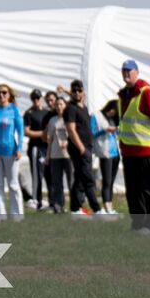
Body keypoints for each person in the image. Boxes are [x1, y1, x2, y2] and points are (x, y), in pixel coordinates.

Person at [117, 59, 150, 232]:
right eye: (123, 71)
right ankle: (137, 222)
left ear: (137, 72)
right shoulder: (124, 94)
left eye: (129, 70)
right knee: (133, 191)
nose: (126, 74)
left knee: (149, 189)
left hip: (145, 150)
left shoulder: (146, 92)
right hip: (128, 151)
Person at [61, 81, 100, 215]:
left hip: (87, 147)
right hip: (79, 149)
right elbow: (71, 130)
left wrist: (66, 90)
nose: (77, 92)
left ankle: (75, 208)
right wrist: (82, 148)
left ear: (83, 92)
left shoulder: (83, 106)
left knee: (79, 179)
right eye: (74, 91)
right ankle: (97, 209)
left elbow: (79, 95)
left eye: (79, 90)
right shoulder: (70, 108)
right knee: (88, 179)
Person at [0, 84, 24, 221]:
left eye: (4, 92)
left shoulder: (14, 110)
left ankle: (17, 215)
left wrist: (19, 148)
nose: (1, 95)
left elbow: (20, 131)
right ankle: (0, 215)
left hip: (11, 152)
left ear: (9, 95)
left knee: (13, 184)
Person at [43, 93, 71, 214]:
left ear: (65, 105)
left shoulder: (70, 118)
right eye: (57, 104)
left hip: (68, 155)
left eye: (61, 104)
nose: (59, 106)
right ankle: (59, 205)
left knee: (72, 181)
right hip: (55, 155)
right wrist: (48, 156)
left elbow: (75, 136)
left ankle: (76, 205)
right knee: (56, 182)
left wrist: (67, 143)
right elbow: (50, 139)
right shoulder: (52, 120)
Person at [92, 98, 120, 216]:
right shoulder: (96, 116)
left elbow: (118, 133)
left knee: (111, 181)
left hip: (115, 152)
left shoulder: (114, 119)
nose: (113, 113)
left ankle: (110, 205)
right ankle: (106, 206)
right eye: (113, 110)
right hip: (105, 152)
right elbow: (92, 132)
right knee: (107, 181)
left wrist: (117, 130)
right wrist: (105, 130)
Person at [23, 89, 49, 211]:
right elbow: (26, 131)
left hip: (47, 147)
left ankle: (50, 200)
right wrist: (42, 134)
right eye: (34, 98)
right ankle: (36, 200)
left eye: (38, 98)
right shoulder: (29, 113)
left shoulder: (47, 112)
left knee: (49, 174)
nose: (36, 100)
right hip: (36, 147)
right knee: (37, 175)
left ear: (41, 99)